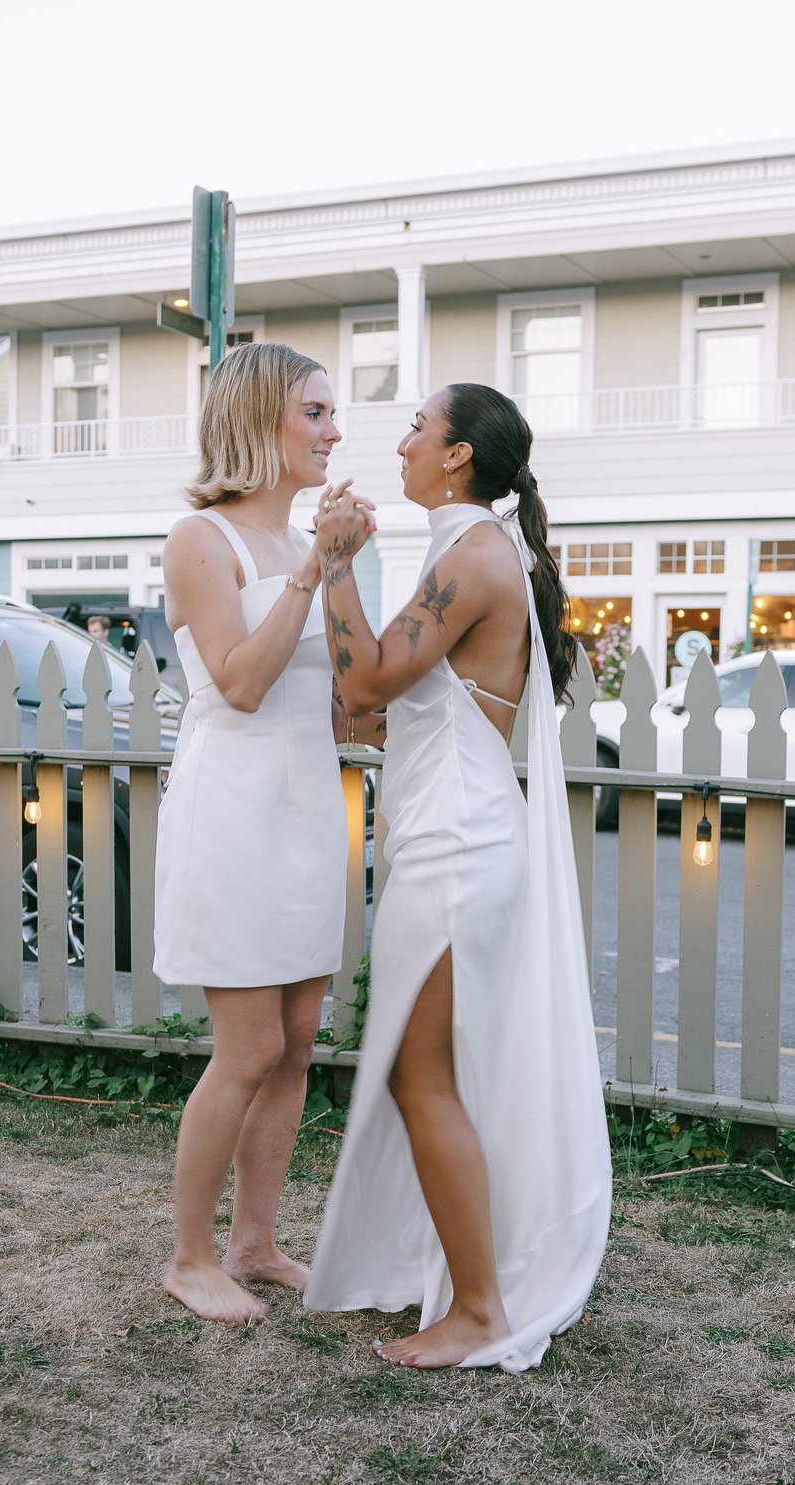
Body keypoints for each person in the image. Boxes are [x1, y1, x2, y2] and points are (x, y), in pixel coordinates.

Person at [302, 383, 610, 1370]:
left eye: (416, 429)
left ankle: (478, 1309)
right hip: (443, 832)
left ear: (457, 457)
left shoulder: (474, 555)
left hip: (456, 844)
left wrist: (336, 562)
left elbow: (364, 680)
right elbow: (390, 704)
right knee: (422, 1070)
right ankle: (454, 1275)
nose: (397, 443)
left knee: (419, 1071)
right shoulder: (465, 550)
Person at [153, 342, 373, 1327]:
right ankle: (189, 1254)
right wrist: (311, 572)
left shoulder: (306, 549)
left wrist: (341, 572)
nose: (333, 431)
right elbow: (239, 684)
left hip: (306, 807)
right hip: (232, 811)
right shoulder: (202, 541)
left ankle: (256, 1239)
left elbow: (351, 700)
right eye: (315, 413)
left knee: (293, 1044)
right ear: (260, 422)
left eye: (332, 415)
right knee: (242, 1049)